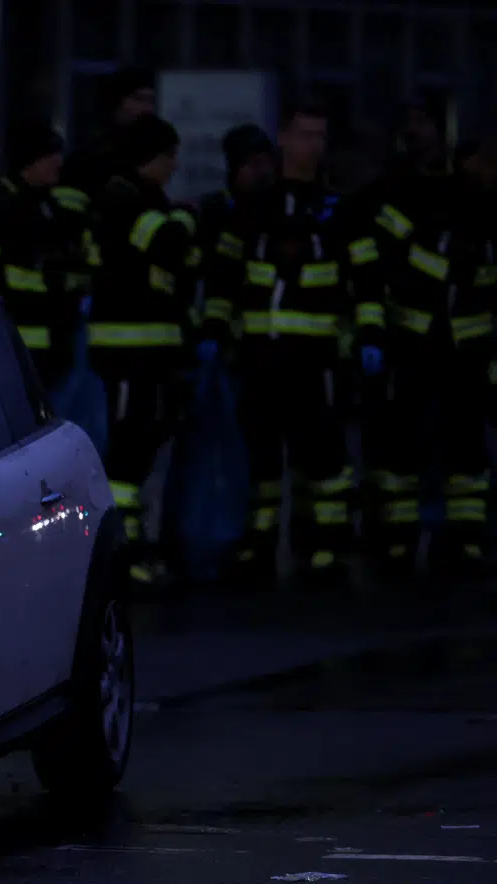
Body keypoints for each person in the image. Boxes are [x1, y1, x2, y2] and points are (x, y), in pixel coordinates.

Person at [208, 101, 382, 583]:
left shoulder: (342, 212)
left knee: (323, 457)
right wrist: (215, 333)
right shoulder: (252, 209)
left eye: (320, 137)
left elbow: (366, 282)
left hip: (318, 359)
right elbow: (226, 278)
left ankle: (324, 548)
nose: (312, 146)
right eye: (305, 135)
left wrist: (370, 336)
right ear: (282, 138)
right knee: (261, 459)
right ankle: (257, 548)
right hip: (261, 356)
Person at [363, 101, 497, 573]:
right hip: (411, 341)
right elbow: (385, 255)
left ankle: (467, 540)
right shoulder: (399, 189)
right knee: (401, 444)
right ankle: (397, 540)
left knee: (467, 448)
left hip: (465, 346)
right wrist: (446, 265)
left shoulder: (476, 199)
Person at [87, 114, 198, 585]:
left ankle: (136, 541)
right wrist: (189, 218)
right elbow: (170, 244)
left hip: (154, 347)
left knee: (144, 444)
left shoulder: (141, 196)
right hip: (129, 347)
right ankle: (122, 549)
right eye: (170, 156)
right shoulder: (122, 197)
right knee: (129, 447)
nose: (175, 165)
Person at [0, 119, 84, 388]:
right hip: (12, 341)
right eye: (50, 155)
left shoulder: (51, 207)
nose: (59, 162)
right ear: (29, 160)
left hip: (52, 343)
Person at [196, 124, 276, 341]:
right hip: (220, 323)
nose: (264, 172)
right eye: (255, 164)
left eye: (267, 162)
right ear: (235, 167)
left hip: (261, 329)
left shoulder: (276, 208)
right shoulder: (215, 210)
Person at [61, 66, 158, 209]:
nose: (147, 109)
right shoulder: (88, 160)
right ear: (116, 104)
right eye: (139, 99)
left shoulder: (153, 155)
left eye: (151, 101)